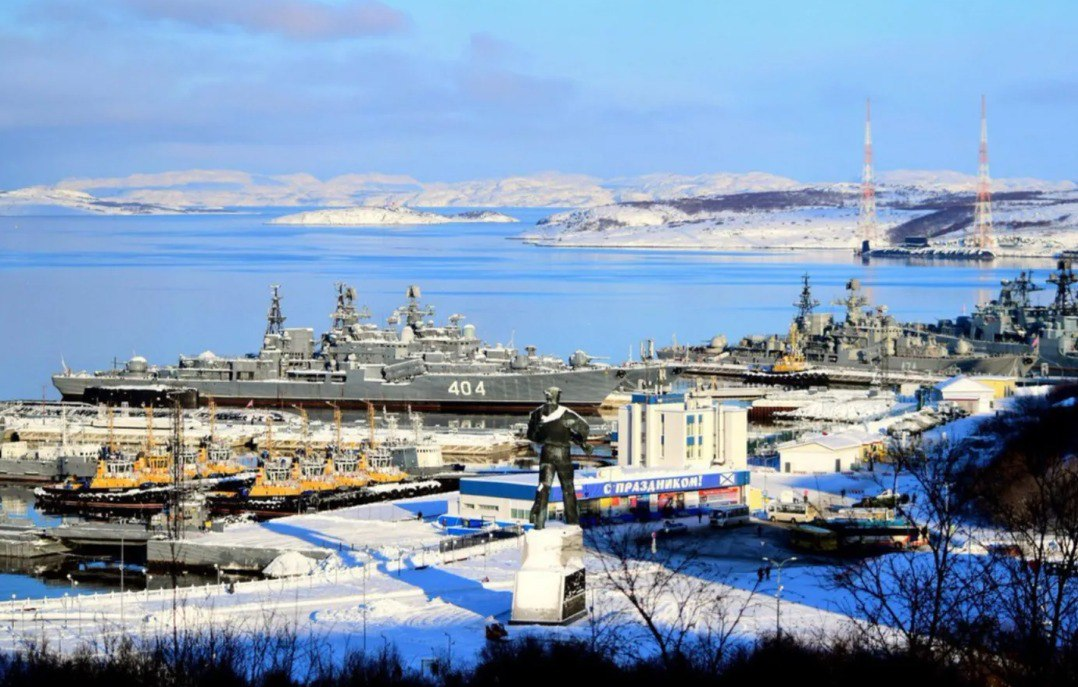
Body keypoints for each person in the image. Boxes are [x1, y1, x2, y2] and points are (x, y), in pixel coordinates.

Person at [526, 387, 591, 529]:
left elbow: (532, 436)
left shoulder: (537, 414)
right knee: (568, 488)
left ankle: (539, 523)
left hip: (546, 453)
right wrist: (575, 437)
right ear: (558, 396)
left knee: (543, 487)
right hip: (563, 453)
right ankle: (572, 521)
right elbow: (585, 428)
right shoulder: (566, 414)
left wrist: (543, 432)